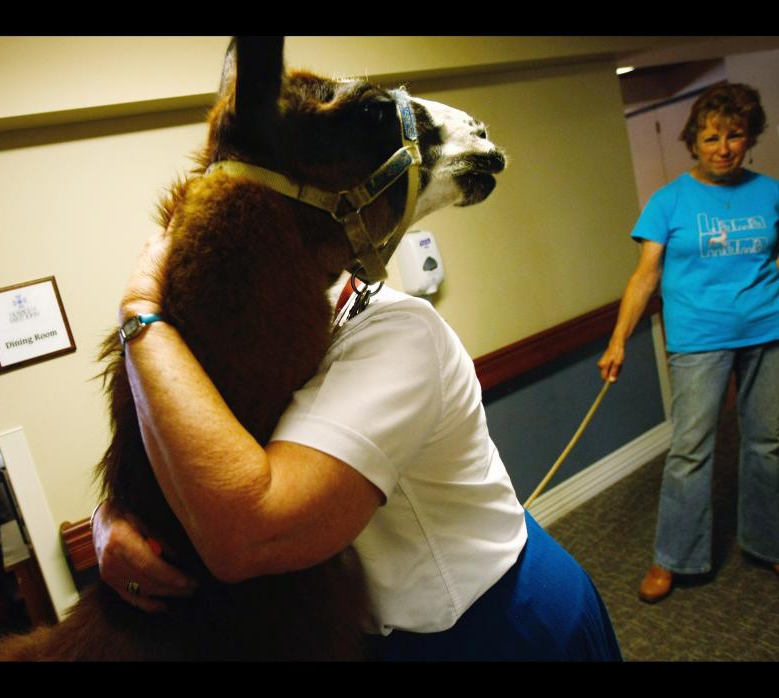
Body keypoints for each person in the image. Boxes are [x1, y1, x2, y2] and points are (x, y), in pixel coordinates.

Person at [90, 228, 622, 661]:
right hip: (372, 640)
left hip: (494, 623)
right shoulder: (251, 354)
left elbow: (246, 534)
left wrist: (139, 312)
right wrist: (110, 520)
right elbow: (192, 451)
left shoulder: (397, 336)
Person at [598, 82, 779, 603]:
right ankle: (674, 557)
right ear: (693, 141)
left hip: (767, 333)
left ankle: (767, 541)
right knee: (690, 452)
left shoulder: (769, 192)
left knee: (768, 445)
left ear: (750, 138)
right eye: (711, 137)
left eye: (735, 136)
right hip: (699, 340)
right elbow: (644, 277)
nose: (724, 147)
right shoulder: (669, 200)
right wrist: (618, 342)